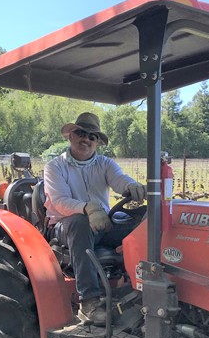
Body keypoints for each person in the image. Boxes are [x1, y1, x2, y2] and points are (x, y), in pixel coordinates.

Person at [43, 112, 146, 326]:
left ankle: (140, 287)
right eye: (81, 133)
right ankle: (89, 301)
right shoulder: (55, 167)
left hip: (102, 224)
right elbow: (60, 201)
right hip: (66, 226)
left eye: (92, 137)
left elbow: (120, 180)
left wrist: (131, 186)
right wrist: (87, 208)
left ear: (97, 142)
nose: (86, 139)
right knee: (80, 223)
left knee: (143, 219)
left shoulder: (105, 164)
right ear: (70, 136)